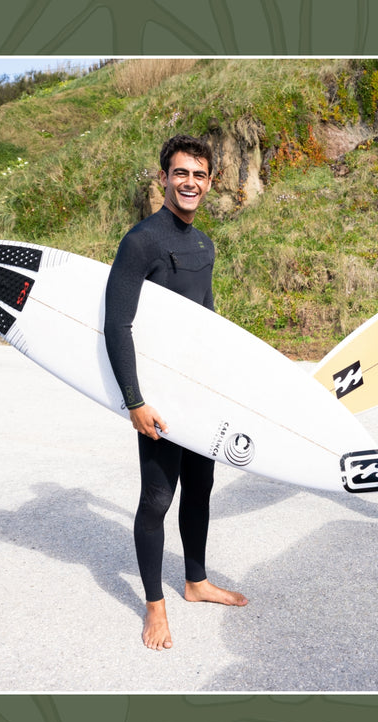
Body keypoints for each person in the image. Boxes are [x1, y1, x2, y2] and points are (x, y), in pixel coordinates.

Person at [104, 135, 248, 651]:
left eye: (200, 175)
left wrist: (225, 382)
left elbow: (205, 319)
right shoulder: (141, 241)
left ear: (210, 182)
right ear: (164, 177)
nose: (190, 182)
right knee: (157, 498)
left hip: (198, 392)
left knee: (200, 489)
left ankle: (195, 581)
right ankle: (154, 607)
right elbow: (117, 325)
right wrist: (135, 401)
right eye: (181, 173)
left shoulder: (204, 244)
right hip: (160, 396)